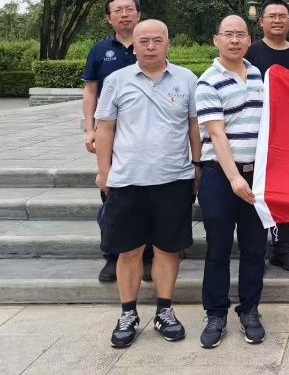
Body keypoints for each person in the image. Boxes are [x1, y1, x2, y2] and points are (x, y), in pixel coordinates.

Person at [95, 19, 200, 349]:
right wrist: (104, 171)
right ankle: (128, 313)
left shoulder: (187, 79)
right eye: (144, 41)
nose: (151, 46)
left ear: (169, 43)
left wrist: (198, 167)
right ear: (134, 46)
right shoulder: (117, 80)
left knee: (169, 249)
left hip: (174, 178)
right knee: (129, 250)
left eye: (157, 40)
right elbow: (104, 129)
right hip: (128, 180)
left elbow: (194, 127)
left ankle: (164, 310)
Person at [196, 15, 268, 347]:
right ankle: (216, 314)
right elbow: (216, 134)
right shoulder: (207, 82)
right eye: (229, 34)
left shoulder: (259, 76)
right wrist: (235, 177)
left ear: (249, 40)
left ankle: (250, 310)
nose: (235, 40)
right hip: (220, 178)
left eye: (241, 34)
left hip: (257, 177)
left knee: (254, 248)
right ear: (216, 40)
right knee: (218, 249)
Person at [81, 0, 154, 283]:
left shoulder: (150, 45)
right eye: (118, 10)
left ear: (139, 14)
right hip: (110, 133)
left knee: (148, 195)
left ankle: (147, 256)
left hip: (146, 135)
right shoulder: (100, 50)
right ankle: (113, 256)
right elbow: (90, 91)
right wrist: (90, 128)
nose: (124, 14)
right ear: (108, 18)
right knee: (111, 194)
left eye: (129, 9)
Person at [246, 0, 289, 273]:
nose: (277, 20)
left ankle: (284, 250)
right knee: (257, 192)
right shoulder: (250, 53)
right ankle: (257, 250)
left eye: (282, 16)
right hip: (255, 135)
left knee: (286, 192)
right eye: (271, 15)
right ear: (261, 21)